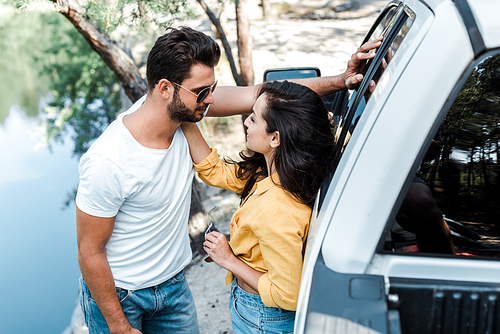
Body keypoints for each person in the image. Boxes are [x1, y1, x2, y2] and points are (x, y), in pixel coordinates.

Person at [76, 26, 381, 334]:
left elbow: (265, 95)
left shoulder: (187, 110)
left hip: (174, 285)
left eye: (213, 88)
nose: (210, 100)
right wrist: (119, 327)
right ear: (165, 88)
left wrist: (342, 81)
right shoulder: (108, 162)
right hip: (124, 294)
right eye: (202, 92)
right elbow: (90, 251)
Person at [181, 80, 337, 333]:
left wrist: (229, 260)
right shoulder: (281, 173)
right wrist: (186, 117)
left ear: (275, 138)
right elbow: (217, 171)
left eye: (253, 119)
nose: (245, 122)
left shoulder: (277, 208)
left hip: (265, 318)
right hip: (258, 310)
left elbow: (288, 295)